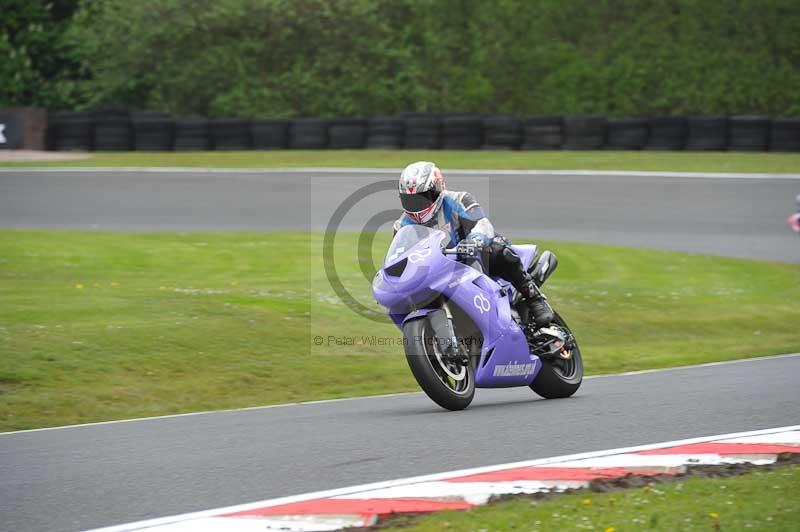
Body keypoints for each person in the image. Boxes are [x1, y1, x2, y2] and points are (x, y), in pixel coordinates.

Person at [393, 161, 554, 329]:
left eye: (423, 197)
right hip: (440, 271)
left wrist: (475, 240)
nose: (417, 206)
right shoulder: (401, 226)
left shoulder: (458, 199)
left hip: (475, 258)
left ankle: (534, 298)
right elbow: (400, 257)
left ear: (438, 189)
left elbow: (483, 224)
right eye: (410, 200)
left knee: (497, 247)